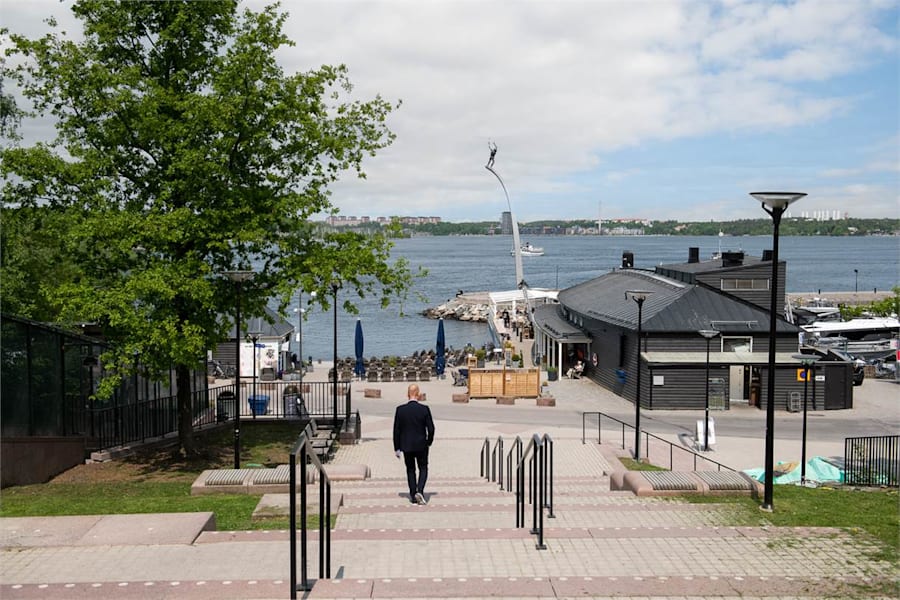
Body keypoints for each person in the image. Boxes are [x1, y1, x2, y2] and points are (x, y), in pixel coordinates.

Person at [393, 384, 435, 505]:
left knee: (410, 469)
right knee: (423, 468)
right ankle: (420, 491)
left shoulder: (400, 410)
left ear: (407, 394)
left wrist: (397, 447)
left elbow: (396, 430)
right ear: (418, 394)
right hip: (421, 444)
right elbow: (431, 429)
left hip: (407, 445)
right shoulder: (424, 409)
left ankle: (412, 494)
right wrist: (429, 441)